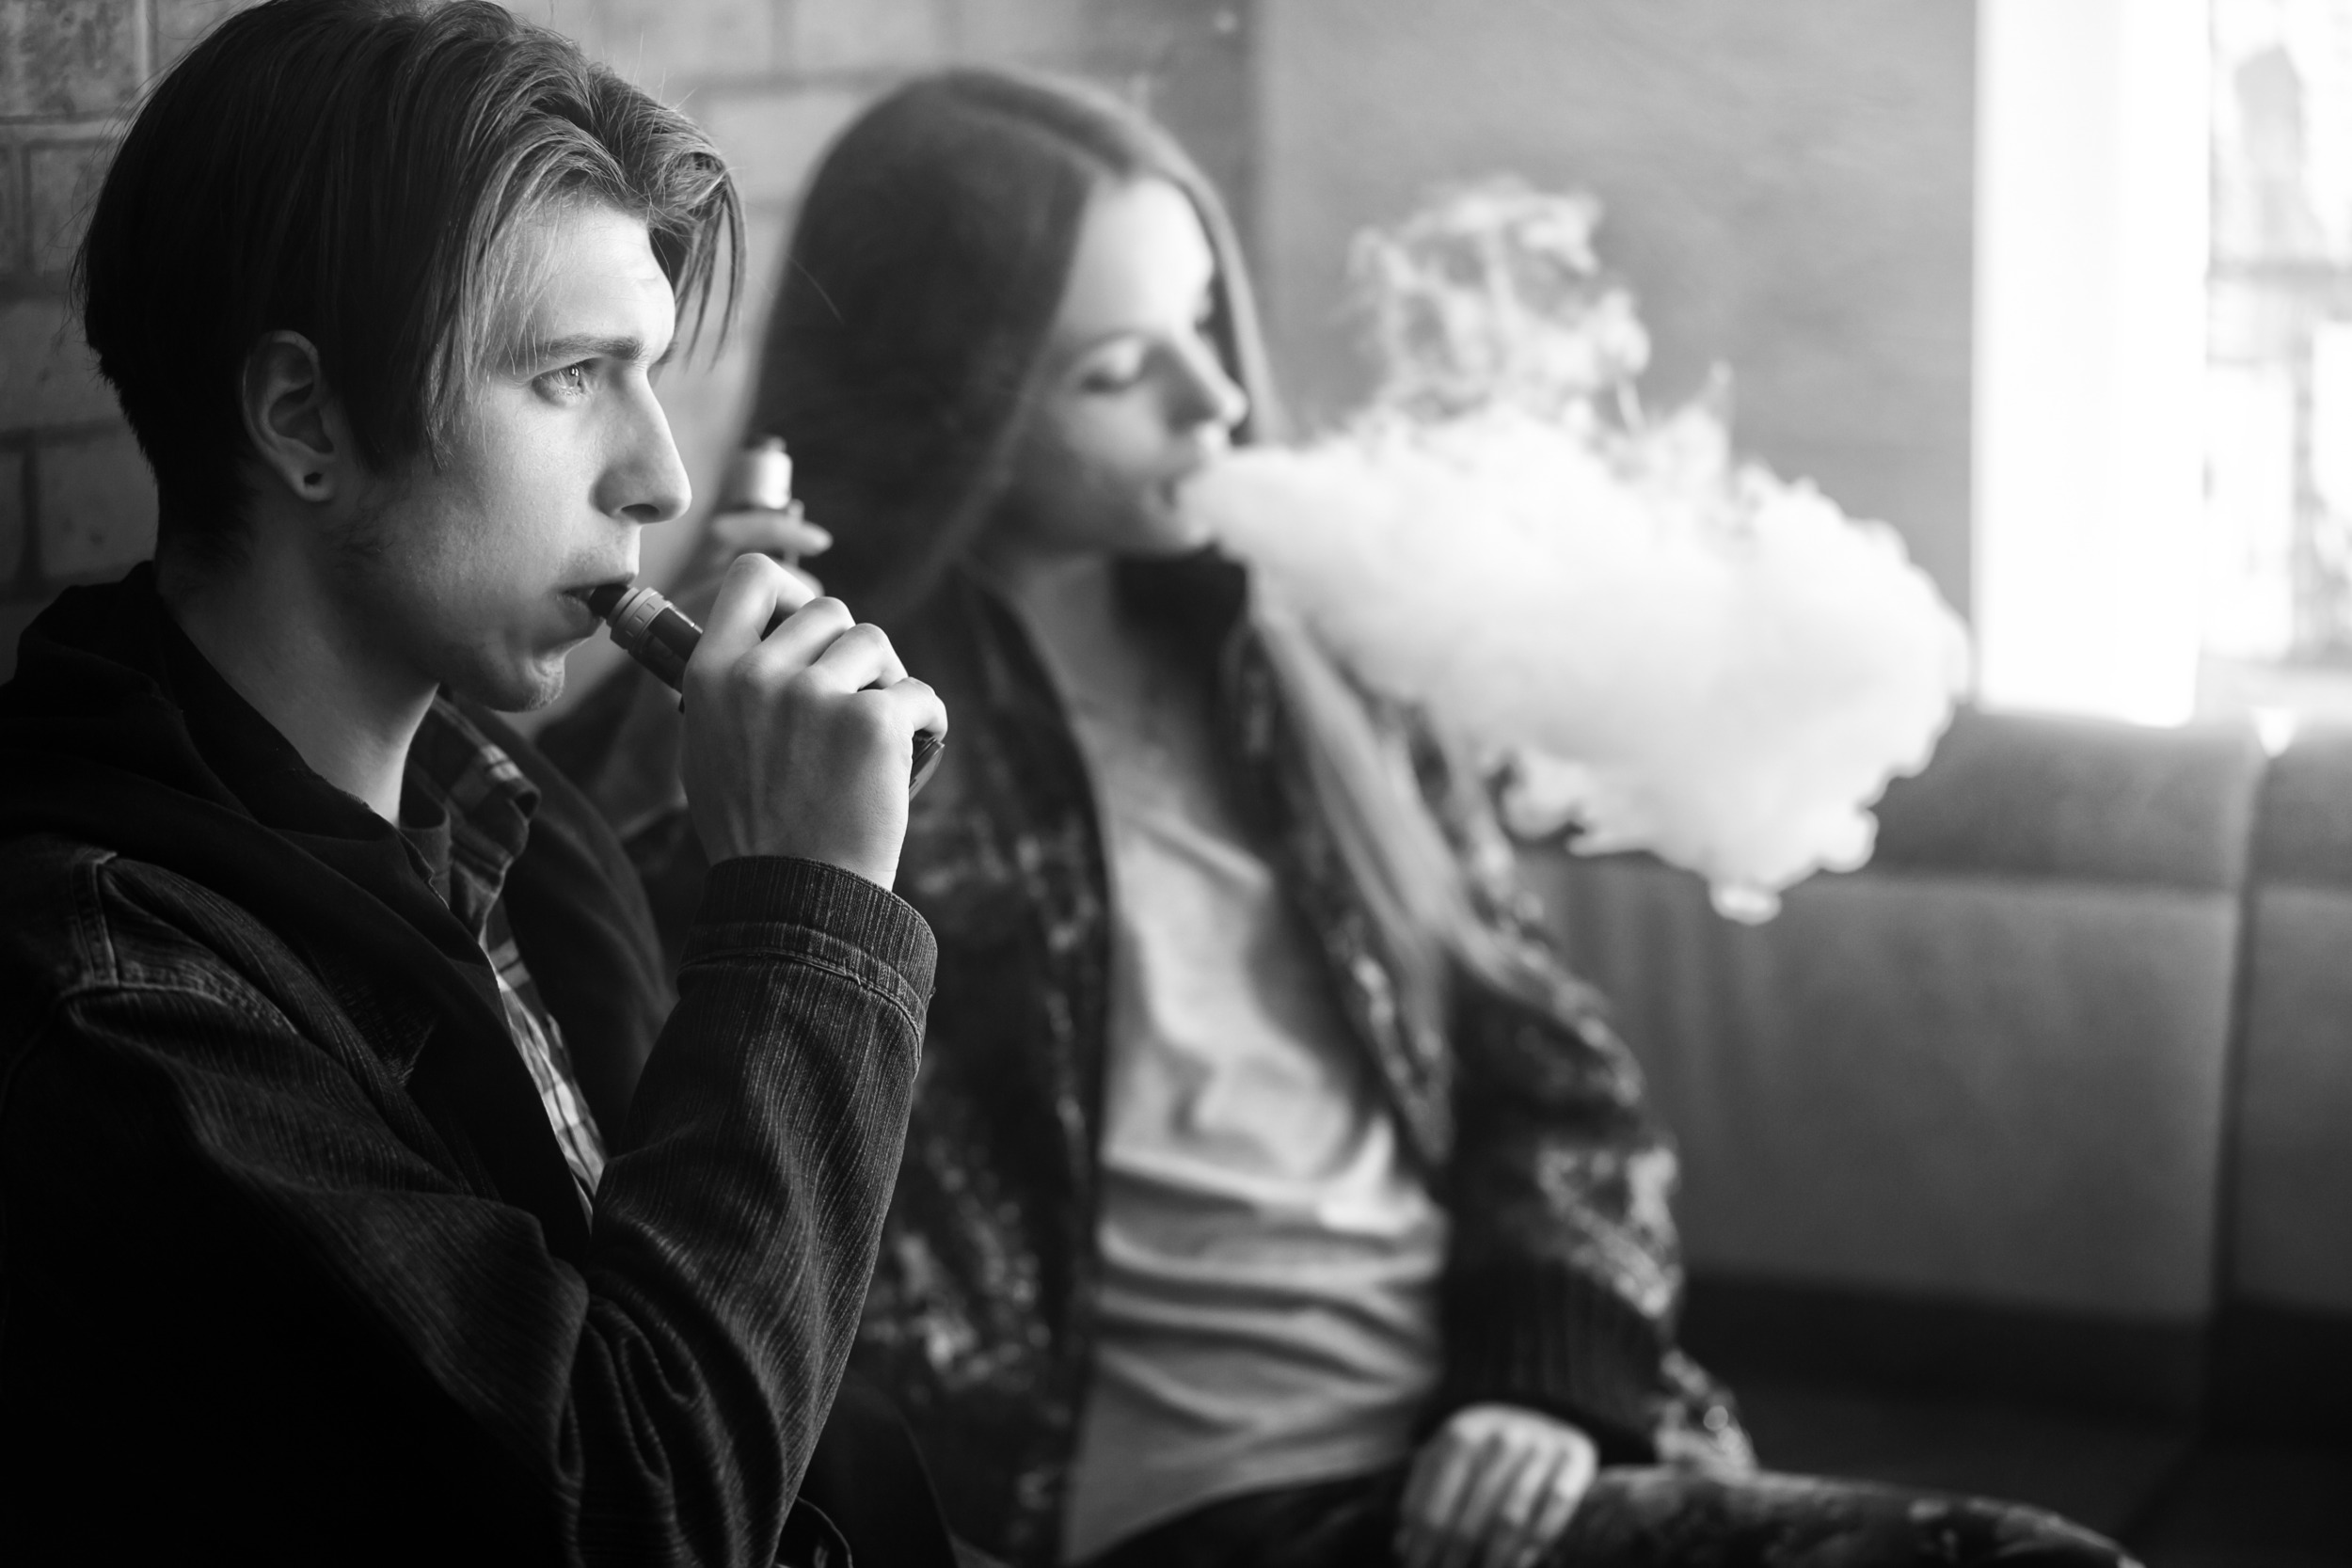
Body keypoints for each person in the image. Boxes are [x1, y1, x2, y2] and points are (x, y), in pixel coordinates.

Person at [548, 71, 2136, 1568]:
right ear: (948, 405)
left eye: (1202, 325)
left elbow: (1550, 1073)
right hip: (1187, 1513)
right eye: (1119, 371)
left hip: (1496, 1463)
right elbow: (656, 1066)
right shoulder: (826, 725)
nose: (1219, 397)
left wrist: (1543, 1380)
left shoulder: (1313, 667)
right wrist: (687, 691)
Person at [0, 3, 961, 1561]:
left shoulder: (487, 810)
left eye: (645, 370)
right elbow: (633, 1510)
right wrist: (809, 910)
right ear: (305, 421)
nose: (657, 474)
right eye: (570, 373)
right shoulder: (121, 1011)